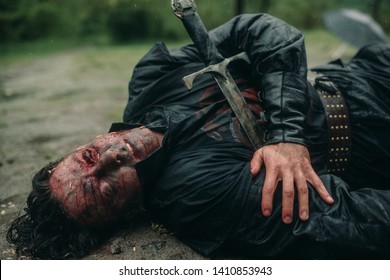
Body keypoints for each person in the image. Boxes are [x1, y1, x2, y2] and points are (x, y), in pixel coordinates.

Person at [7, 13, 390, 259]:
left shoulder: (151, 78)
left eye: (89, 156)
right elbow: (356, 223)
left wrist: (288, 135)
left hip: (368, 69)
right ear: (128, 214)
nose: (111, 158)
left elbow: (264, 32)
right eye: (106, 188)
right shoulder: (201, 198)